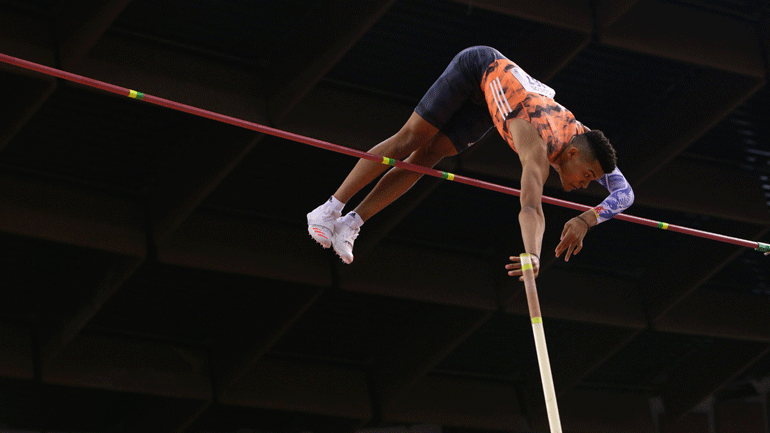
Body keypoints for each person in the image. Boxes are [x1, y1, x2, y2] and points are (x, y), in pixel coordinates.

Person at [306, 46, 634, 279]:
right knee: (410, 139)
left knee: (430, 156)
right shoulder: (537, 147)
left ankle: (351, 223)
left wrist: (588, 219)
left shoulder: (585, 138)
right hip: (477, 68)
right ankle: (331, 207)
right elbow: (531, 208)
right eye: (589, 176)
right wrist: (533, 255)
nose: (586, 184)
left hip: (492, 104)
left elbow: (625, 194)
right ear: (573, 155)